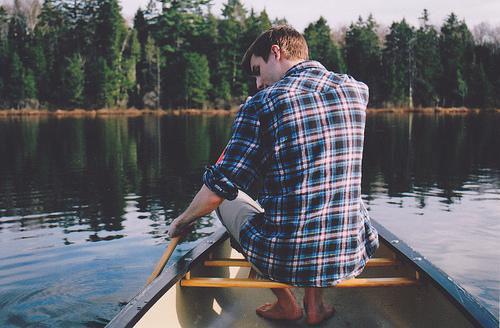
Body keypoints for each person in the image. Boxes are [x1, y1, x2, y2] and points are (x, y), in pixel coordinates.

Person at [167, 25, 379, 325]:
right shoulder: (356, 90)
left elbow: (218, 189)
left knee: (229, 202)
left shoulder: (261, 104)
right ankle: (315, 306)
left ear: (276, 52)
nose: (257, 83)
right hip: (346, 254)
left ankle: (287, 304)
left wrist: (183, 220)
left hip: (284, 260)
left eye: (257, 70)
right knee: (339, 196)